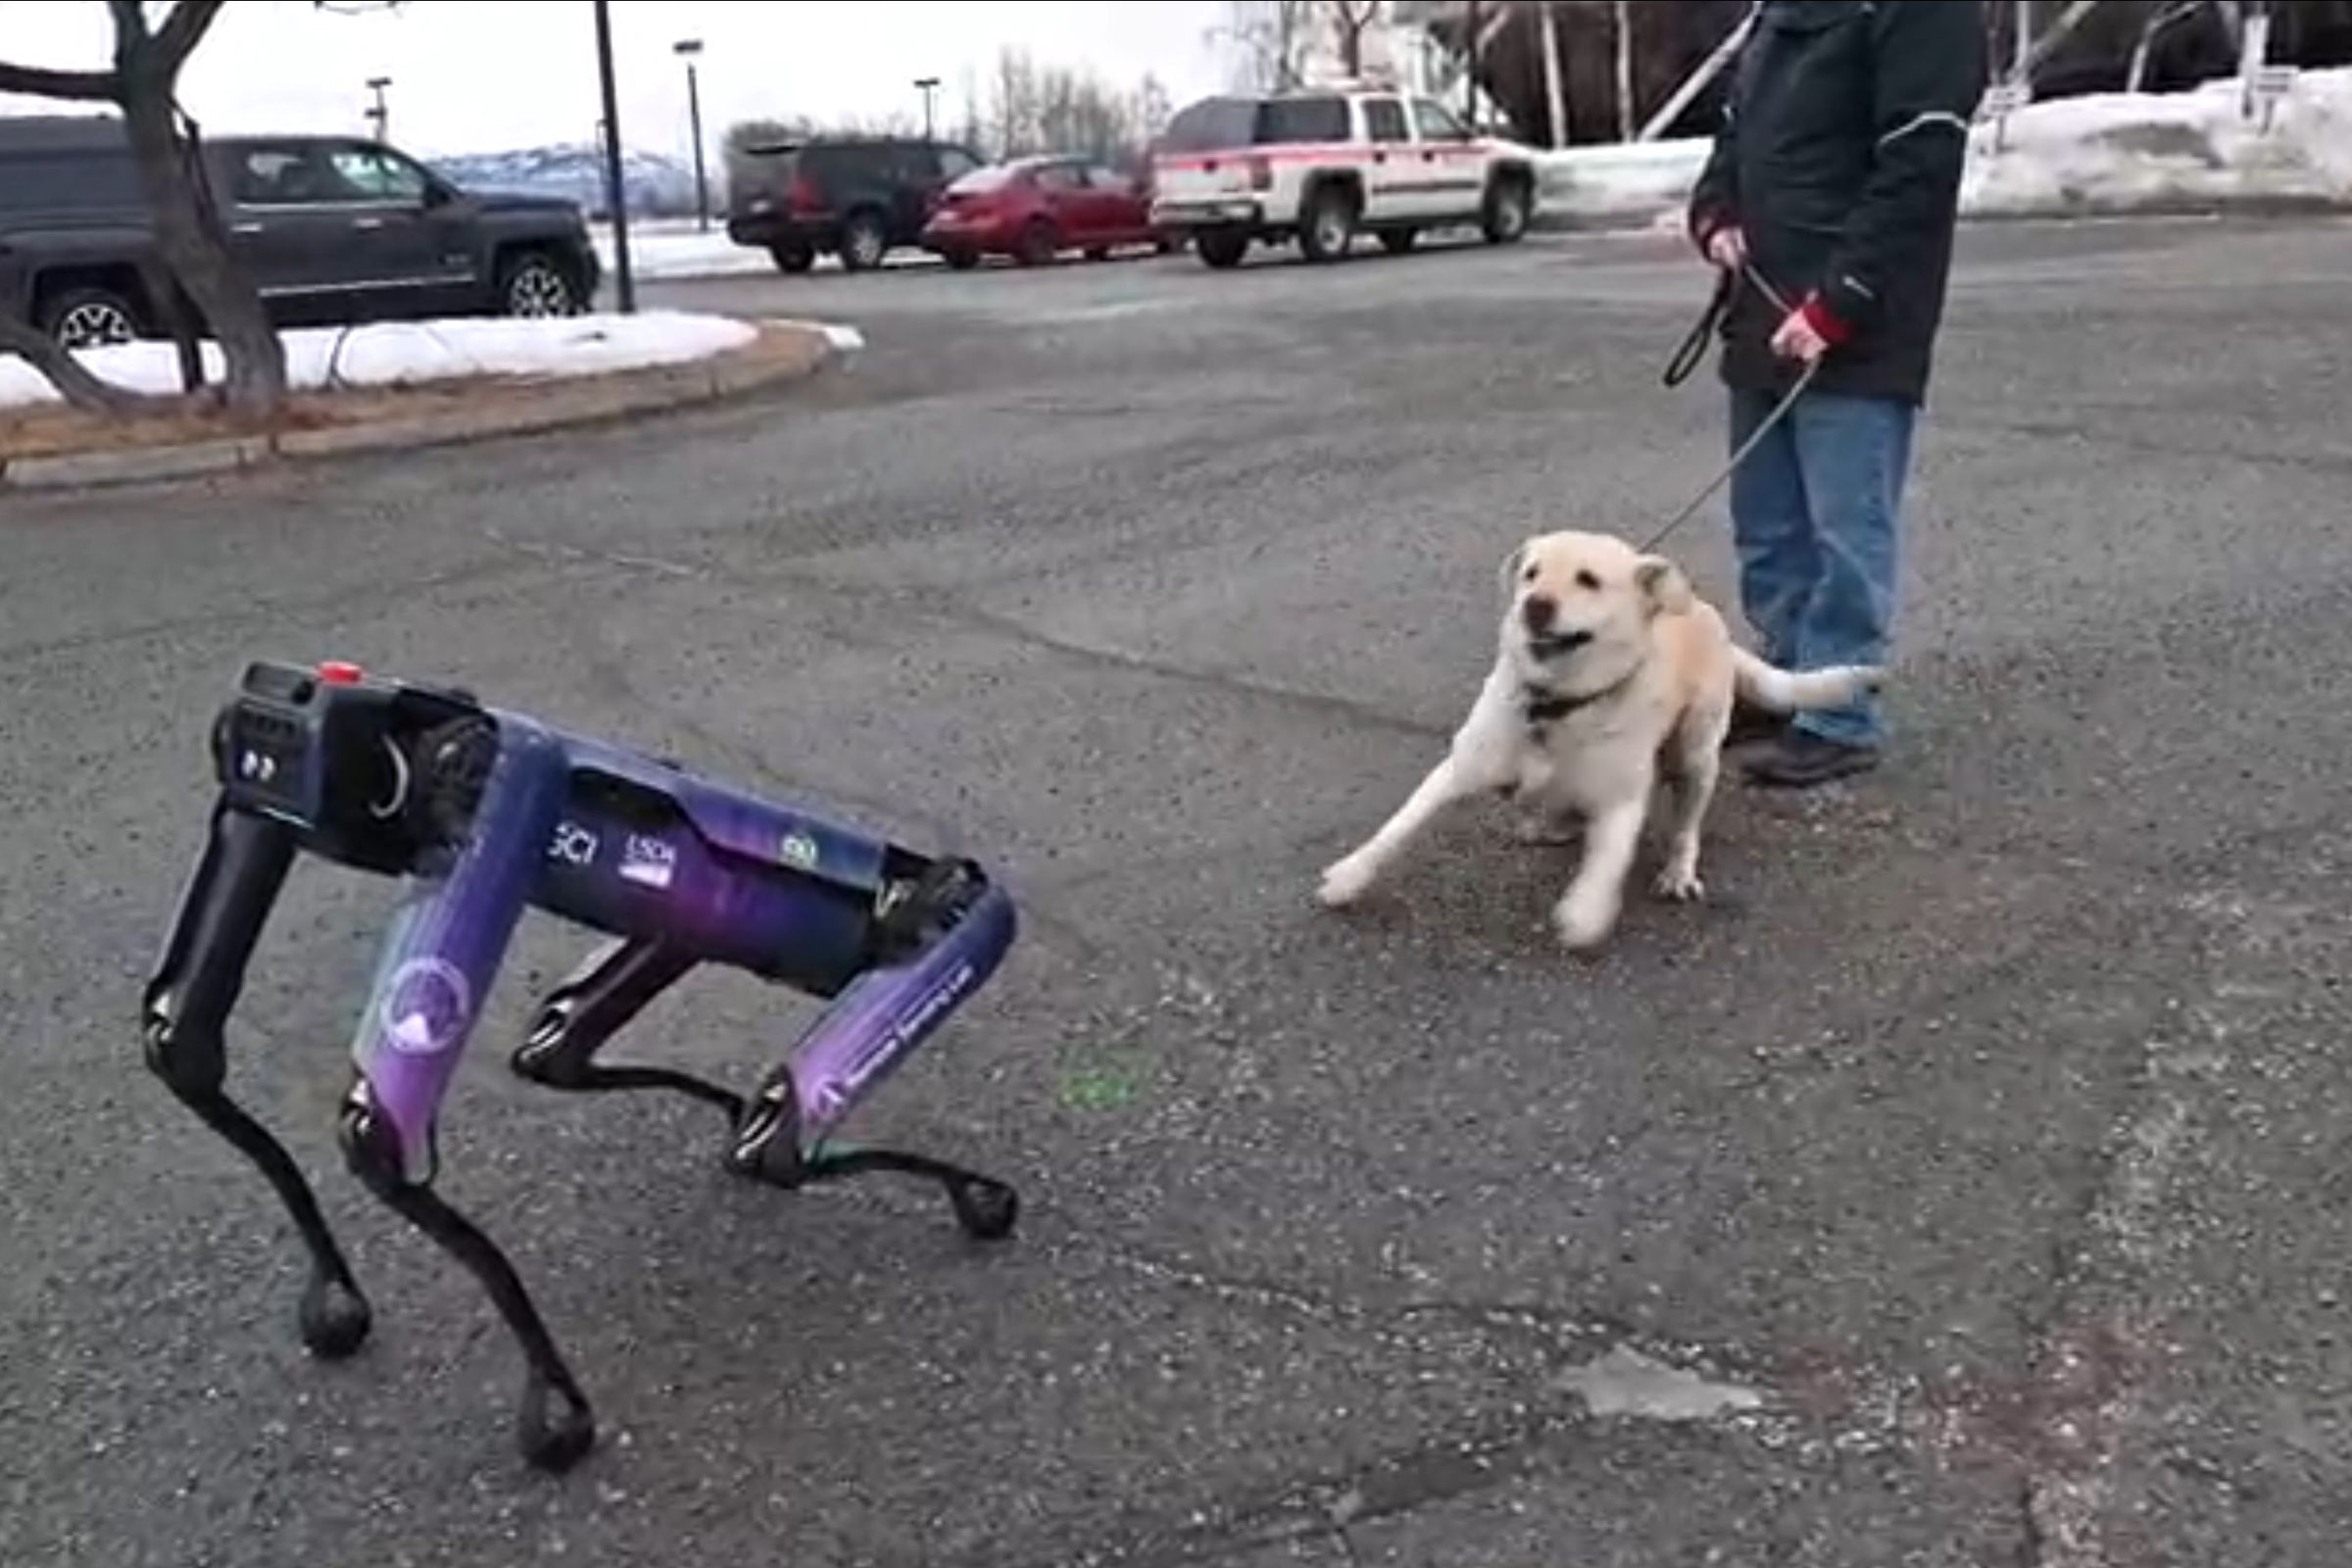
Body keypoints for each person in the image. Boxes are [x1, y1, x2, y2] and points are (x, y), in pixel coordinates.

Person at [1686, 0, 1989, 787]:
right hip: (1762, 305)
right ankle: (1789, 683)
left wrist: (1842, 298)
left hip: (1854, 316)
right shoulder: (1778, 13)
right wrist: (1715, 209)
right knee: (1767, 524)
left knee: (1846, 529)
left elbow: (1918, 166)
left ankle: (1840, 711)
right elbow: (1736, 129)